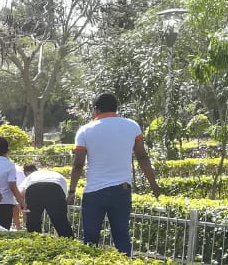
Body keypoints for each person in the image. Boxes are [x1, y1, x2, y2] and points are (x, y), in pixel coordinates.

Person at [67, 92, 160, 256]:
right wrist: (154, 185)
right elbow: (142, 157)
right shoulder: (132, 126)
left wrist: (72, 191)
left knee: (90, 240)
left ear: (95, 110)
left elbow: (78, 164)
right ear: (116, 108)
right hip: (121, 190)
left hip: (94, 192)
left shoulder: (85, 130)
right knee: (122, 236)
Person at [20, 163, 73, 237]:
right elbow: (64, 199)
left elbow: (21, 193)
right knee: (60, 221)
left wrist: (25, 211)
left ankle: (34, 242)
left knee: (33, 222)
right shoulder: (58, 175)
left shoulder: (32, 176)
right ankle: (68, 243)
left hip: (34, 188)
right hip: (55, 188)